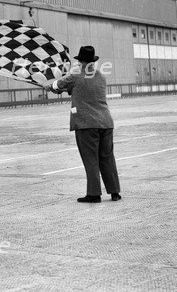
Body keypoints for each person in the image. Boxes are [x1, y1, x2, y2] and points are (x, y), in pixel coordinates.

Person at [44, 46, 121, 203]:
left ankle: (94, 194)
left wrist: (49, 87)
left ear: (80, 61)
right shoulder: (101, 76)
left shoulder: (76, 75)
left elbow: (59, 84)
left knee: (91, 159)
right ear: (92, 61)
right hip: (106, 122)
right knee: (107, 158)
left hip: (87, 124)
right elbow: (78, 89)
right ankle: (114, 192)